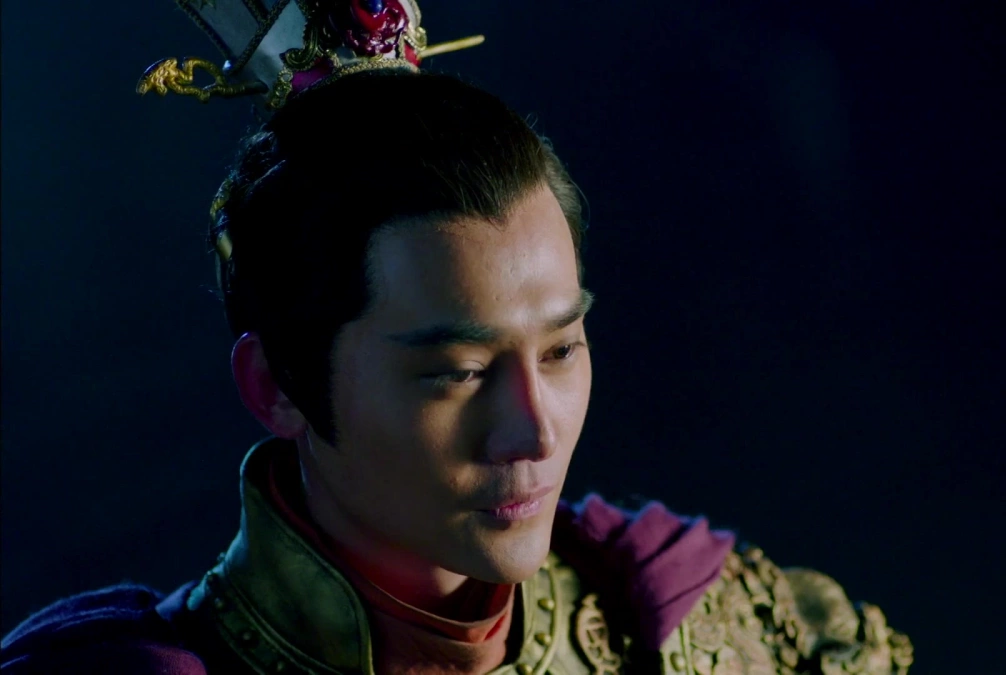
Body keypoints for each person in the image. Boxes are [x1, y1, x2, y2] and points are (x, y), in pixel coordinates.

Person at [0, 1, 913, 673]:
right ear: (277, 382)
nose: (534, 430)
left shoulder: (695, 625)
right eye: (459, 371)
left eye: (560, 349)